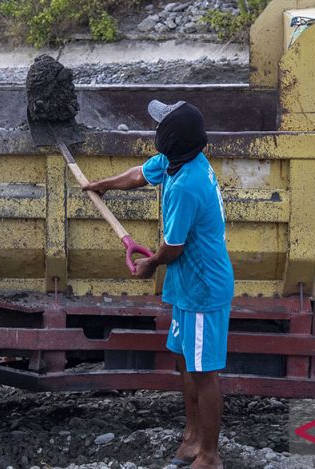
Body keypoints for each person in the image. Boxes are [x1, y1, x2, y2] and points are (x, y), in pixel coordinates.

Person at [84, 100, 234, 469]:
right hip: (186, 285)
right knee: (185, 364)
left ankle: (210, 456)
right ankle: (192, 437)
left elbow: (173, 247)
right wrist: (102, 186)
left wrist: (150, 264)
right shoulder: (177, 162)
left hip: (203, 288)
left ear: (168, 138)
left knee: (204, 372)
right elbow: (139, 174)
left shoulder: (188, 184)